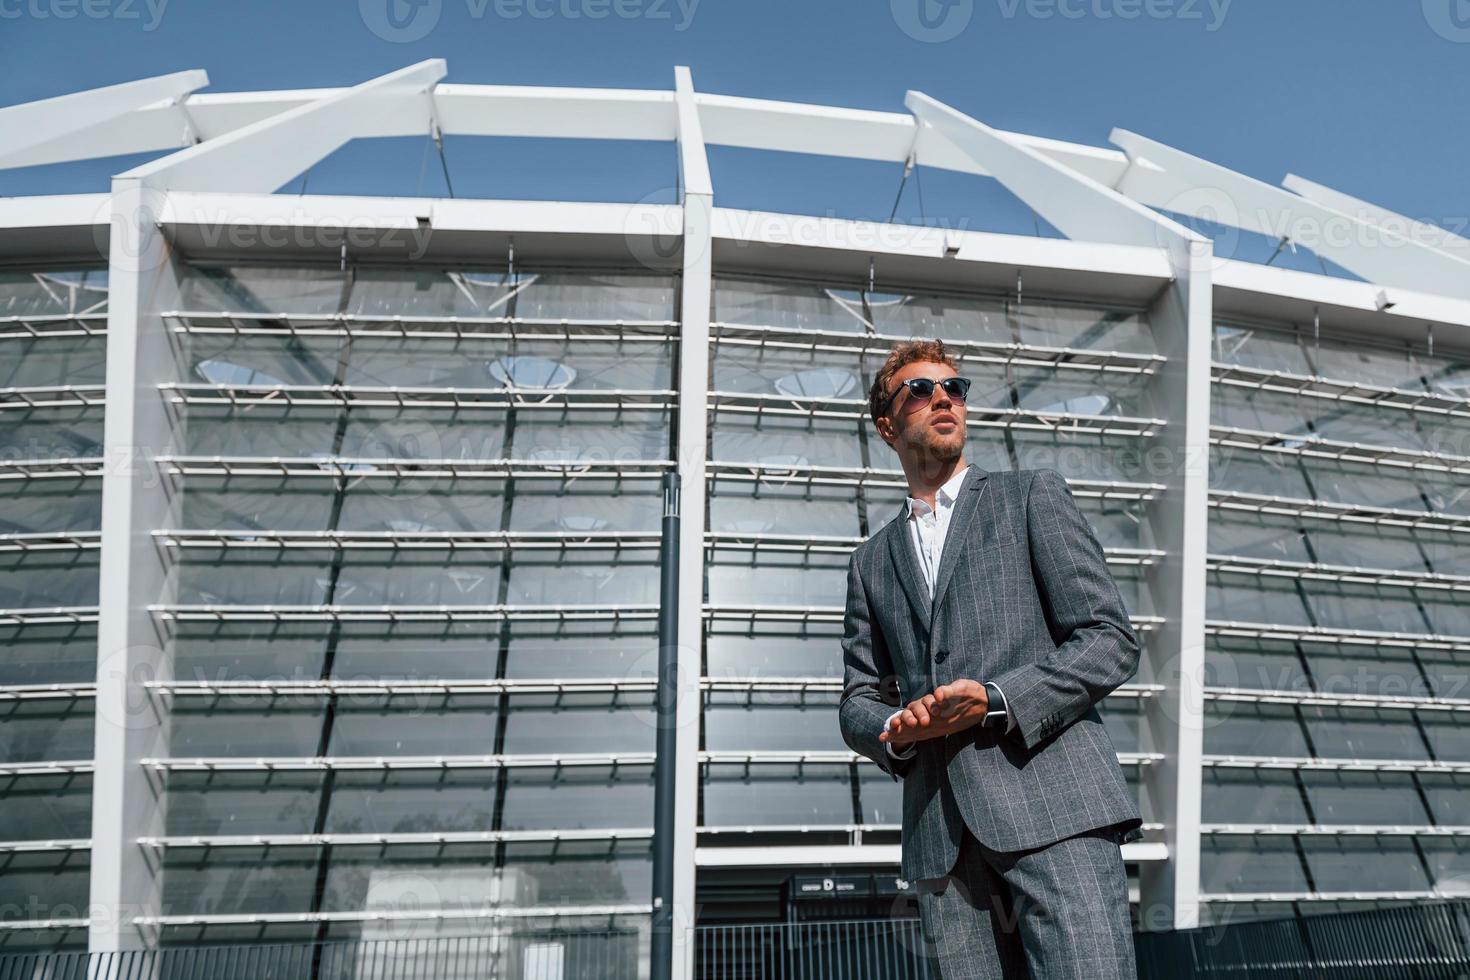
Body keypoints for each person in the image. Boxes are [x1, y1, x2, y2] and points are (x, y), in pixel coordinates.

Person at [837, 337, 1143, 978]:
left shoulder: (1032, 497)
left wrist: (997, 699)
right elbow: (859, 698)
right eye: (920, 389)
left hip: (1058, 809)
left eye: (955, 387)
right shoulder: (870, 562)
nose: (943, 397)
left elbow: (1109, 639)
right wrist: (898, 730)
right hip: (943, 842)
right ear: (887, 425)